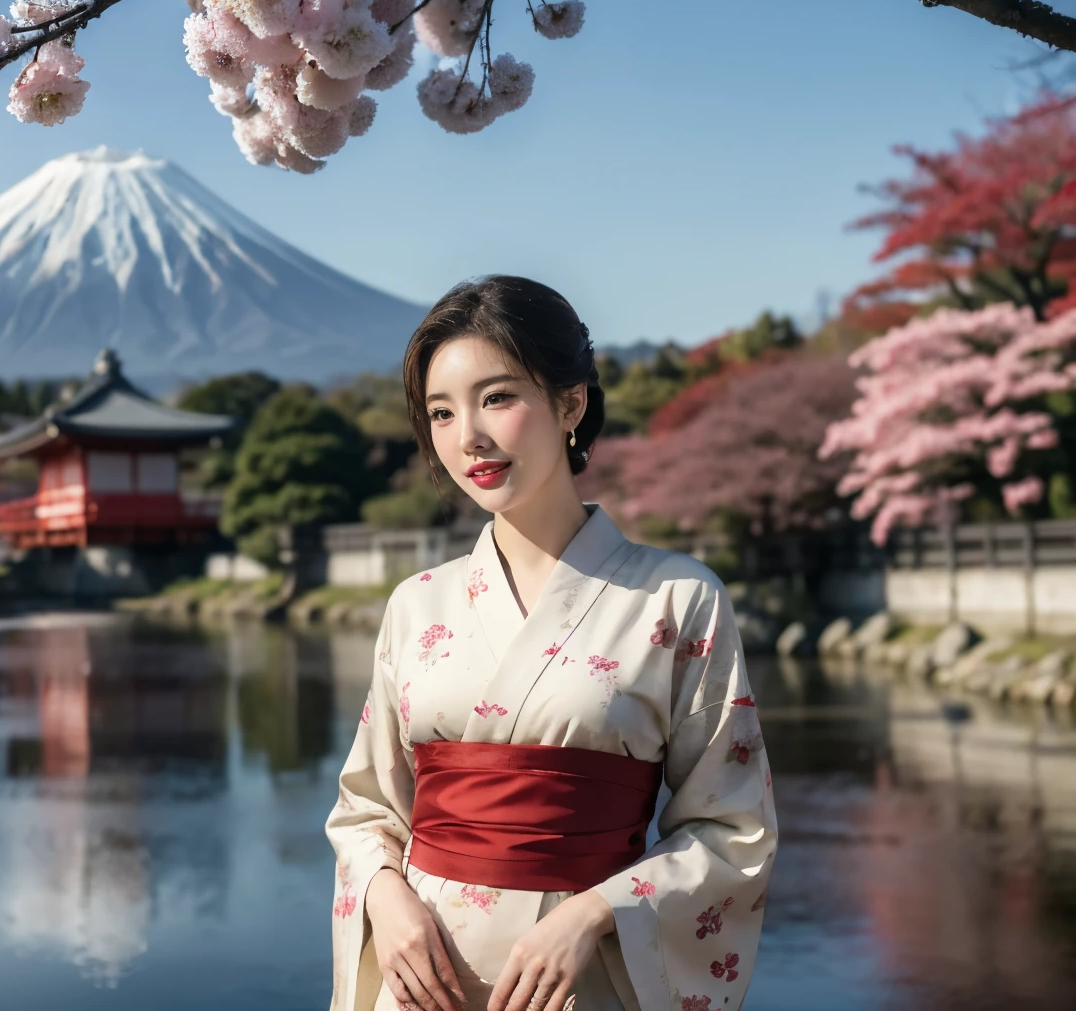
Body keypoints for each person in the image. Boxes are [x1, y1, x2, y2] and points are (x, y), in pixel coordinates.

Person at [325, 276, 778, 1011]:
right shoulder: (418, 605)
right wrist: (384, 896)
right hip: (423, 983)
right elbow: (368, 810)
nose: (466, 436)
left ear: (571, 403)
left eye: (497, 398)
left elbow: (732, 828)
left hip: (584, 978)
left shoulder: (677, 599)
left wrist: (594, 913)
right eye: (441, 413)